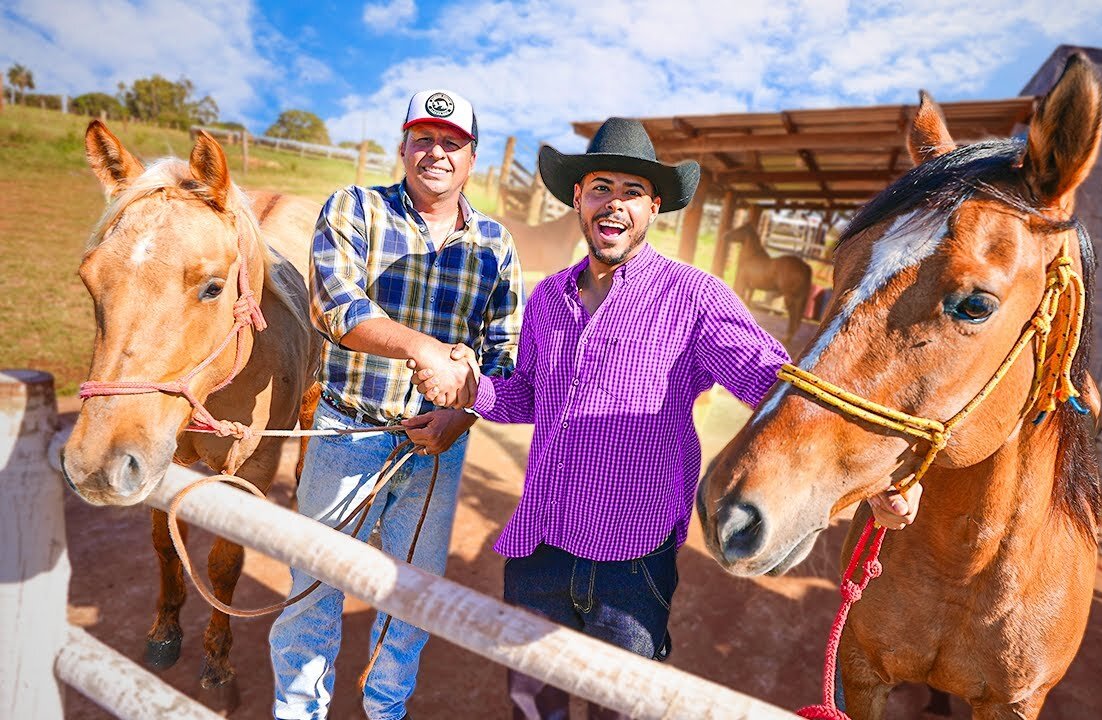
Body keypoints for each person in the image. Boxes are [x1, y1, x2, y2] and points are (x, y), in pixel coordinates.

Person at [412, 117, 918, 719]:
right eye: (600, 187)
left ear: (655, 207)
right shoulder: (548, 298)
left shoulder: (695, 296)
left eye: (632, 192)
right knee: (531, 703)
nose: (613, 204)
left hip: (632, 557)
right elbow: (528, 395)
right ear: (577, 197)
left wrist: (881, 480)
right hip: (539, 543)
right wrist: (473, 389)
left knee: (619, 708)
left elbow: (785, 399)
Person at [269, 88, 522, 720]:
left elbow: (503, 348)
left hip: (438, 446)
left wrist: (461, 415)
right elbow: (333, 303)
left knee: (411, 595)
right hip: (349, 430)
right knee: (314, 588)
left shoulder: (496, 244)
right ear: (404, 145)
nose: (436, 152)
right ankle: (298, 712)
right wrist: (425, 352)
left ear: (472, 156)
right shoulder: (355, 209)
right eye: (424, 138)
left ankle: (386, 710)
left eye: (452, 142)